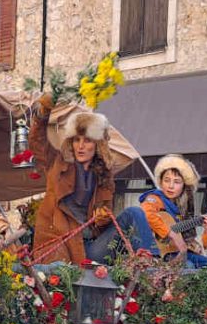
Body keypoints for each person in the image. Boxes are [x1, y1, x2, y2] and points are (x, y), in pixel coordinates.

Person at [29, 94, 159, 264]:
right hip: (66, 250)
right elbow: (38, 143)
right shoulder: (58, 164)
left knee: (134, 214)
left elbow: (104, 219)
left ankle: (154, 264)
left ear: (97, 144)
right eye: (76, 140)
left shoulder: (104, 175)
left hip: (93, 248)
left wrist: (103, 218)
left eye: (87, 140)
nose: (80, 146)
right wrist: (43, 114)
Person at [139, 154, 207, 269]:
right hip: (158, 253)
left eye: (176, 182)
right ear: (161, 182)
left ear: (184, 185)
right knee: (188, 266)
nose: (170, 186)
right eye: (167, 180)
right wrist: (171, 234)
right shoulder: (154, 198)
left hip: (182, 252)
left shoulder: (185, 207)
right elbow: (146, 214)